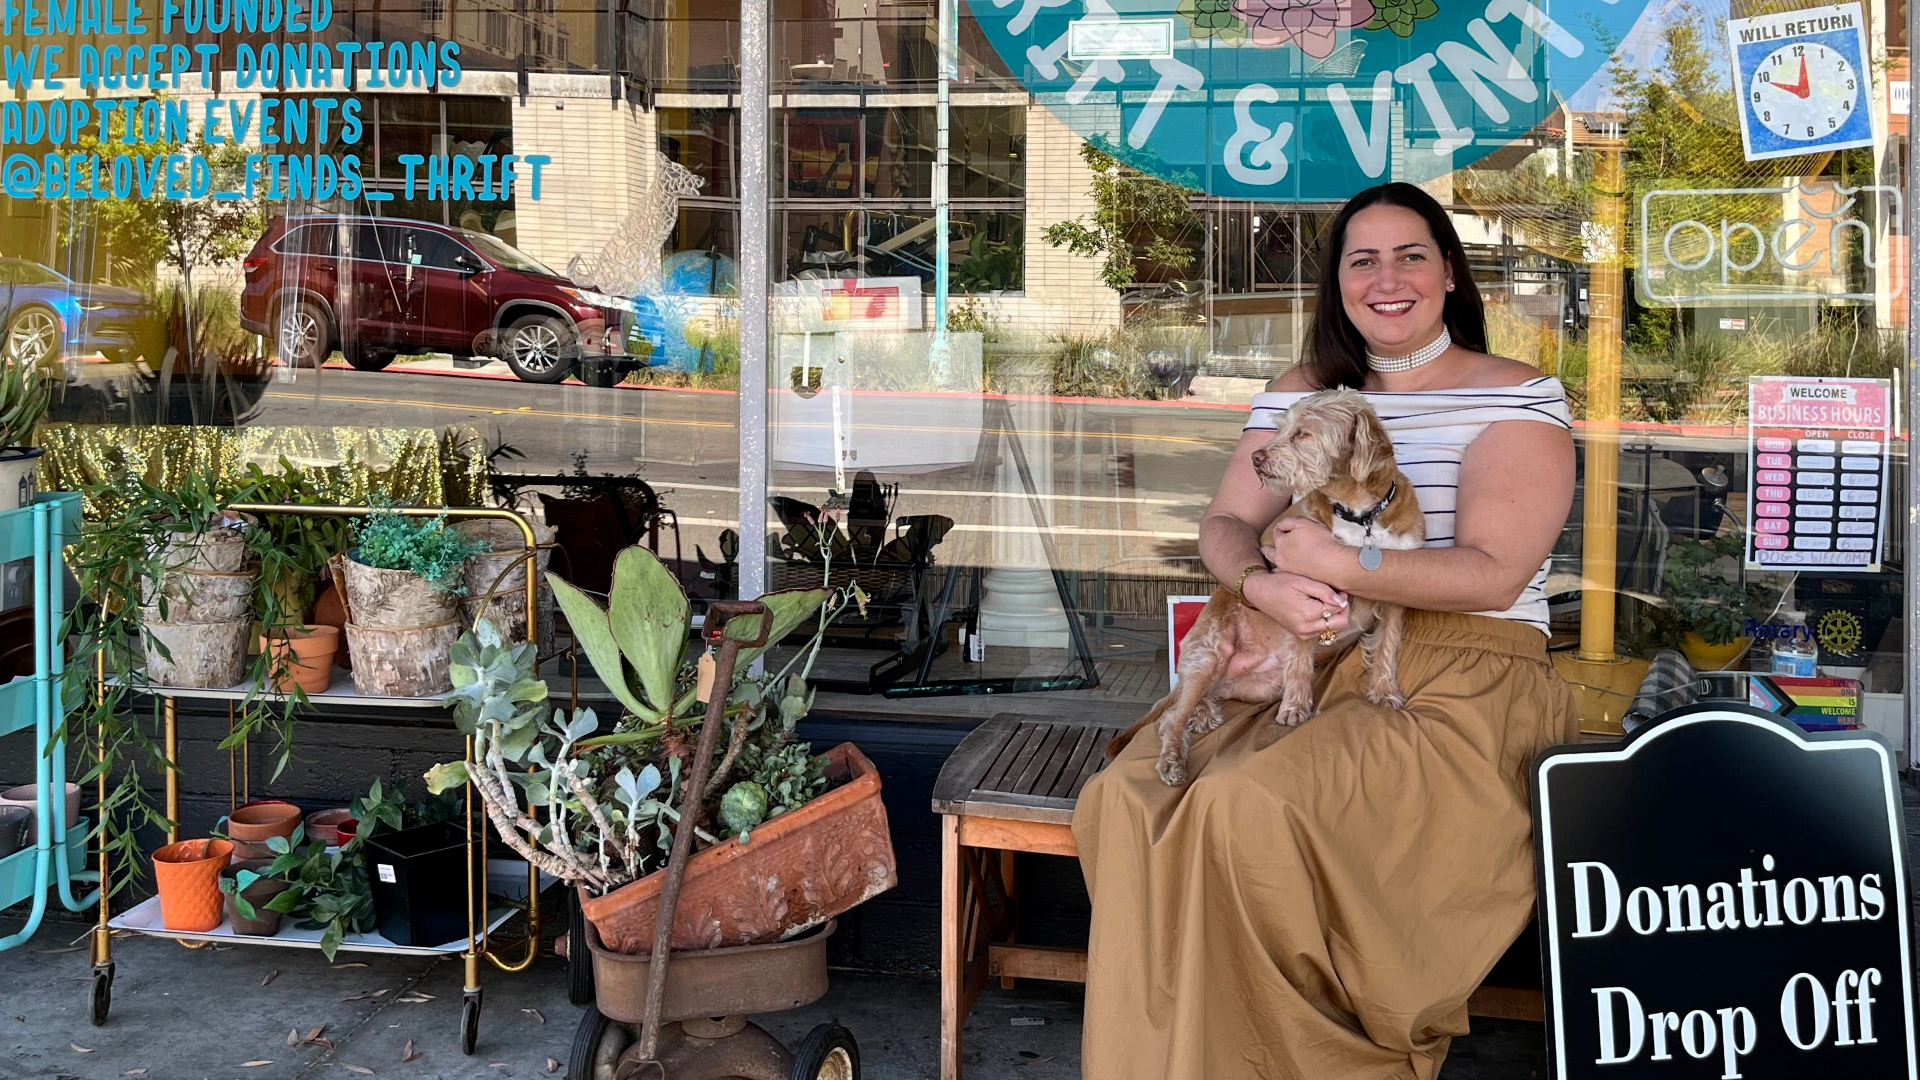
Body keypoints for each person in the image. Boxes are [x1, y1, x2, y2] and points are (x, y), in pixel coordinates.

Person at [1072, 182, 1580, 1080]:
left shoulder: (1517, 394)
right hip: (1308, 654)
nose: (1388, 278)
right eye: (1362, 260)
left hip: (1461, 671)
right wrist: (1263, 585)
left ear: (1452, 274)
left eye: (1412, 255)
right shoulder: (1305, 392)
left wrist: (1344, 568)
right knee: (1125, 796)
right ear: (1336, 283)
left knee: (1248, 810)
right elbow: (1224, 526)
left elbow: (1495, 570)